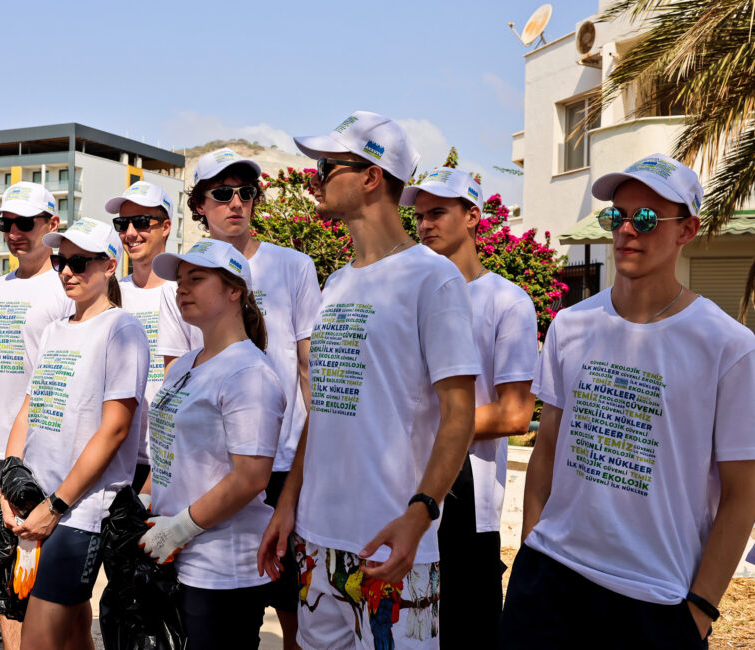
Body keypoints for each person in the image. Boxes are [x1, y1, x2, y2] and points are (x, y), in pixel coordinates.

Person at [500, 154, 755, 648]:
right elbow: (548, 447)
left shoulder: (728, 347)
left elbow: (743, 493)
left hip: (655, 601)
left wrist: (698, 612)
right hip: (548, 583)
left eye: (646, 219)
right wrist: (533, 544)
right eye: (617, 216)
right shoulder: (571, 325)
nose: (626, 231)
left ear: (687, 231)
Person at [257, 111, 480, 650]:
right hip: (316, 540)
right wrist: (288, 503)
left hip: (392, 546)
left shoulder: (434, 278)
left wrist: (421, 513)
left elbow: (460, 415)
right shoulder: (335, 281)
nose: (316, 176)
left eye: (328, 165)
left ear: (371, 176)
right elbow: (326, 406)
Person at [178, 148, 321, 646]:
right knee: (217, 599)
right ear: (199, 204)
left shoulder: (294, 266)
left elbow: (309, 368)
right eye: (221, 193)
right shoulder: (185, 276)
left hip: (282, 461)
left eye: (246, 192)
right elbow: (179, 375)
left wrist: (314, 454)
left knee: (292, 600)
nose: (235, 202)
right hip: (214, 467)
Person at [402, 169, 537, 647]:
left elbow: (516, 414)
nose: (425, 224)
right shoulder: (407, 296)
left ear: (473, 216)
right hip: (401, 485)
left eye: (438, 212)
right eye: (418, 216)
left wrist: (429, 428)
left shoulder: (507, 301)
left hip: (468, 498)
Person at [0, 217, 148, 649]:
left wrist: (55, 505)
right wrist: (11, 489)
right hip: (35, 504)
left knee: (38, 642)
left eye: (80, 262)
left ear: (110, 266)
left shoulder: (122, 329)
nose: (67, 271)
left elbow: (116, 428)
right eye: (62, 260)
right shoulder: (54, 329)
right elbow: (29, 410)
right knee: (73, 638)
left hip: (77, 513)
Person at [142, 238, 285, 648]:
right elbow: (169, 450)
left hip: (222, 571)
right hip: (173, 557)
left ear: (234, 290)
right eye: (180, 280)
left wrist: (180, 528)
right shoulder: (185, 363)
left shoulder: (248, 374)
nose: (180, 288)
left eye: (196, 279)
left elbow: (252, 477)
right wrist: (142, 502)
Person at [0, 182, 73, 644]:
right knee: (5, 581)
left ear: (52, 224)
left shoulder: (65, 287)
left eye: (25, 224)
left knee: (49, 585)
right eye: (7, 224)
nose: (14, 233)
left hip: (41, 456)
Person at [104, 180, 177, 495]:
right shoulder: (111, 293)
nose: (130, 232)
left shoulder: (183, 293)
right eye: (122, 223)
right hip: (115, 457)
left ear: (166, 228)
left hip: (168, 462)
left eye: (142, 222)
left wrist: (154, 480)